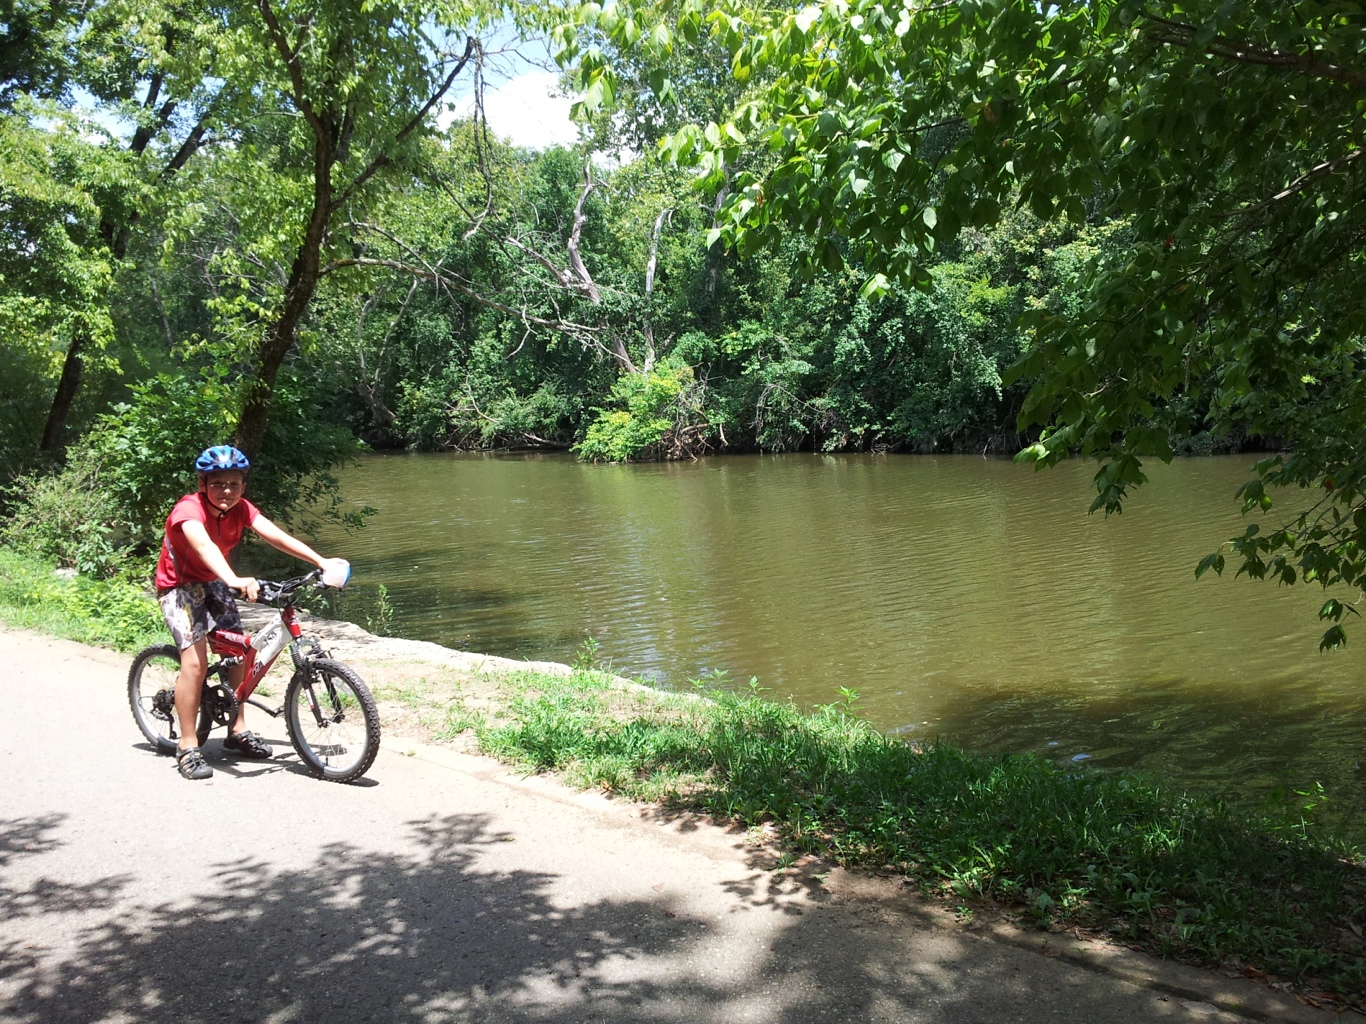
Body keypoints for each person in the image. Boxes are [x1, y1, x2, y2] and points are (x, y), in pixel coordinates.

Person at [155, 445, 346, 781]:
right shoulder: (189, 509)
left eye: (233, 484)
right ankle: (187, 745)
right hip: (179, 587)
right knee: (195, 663)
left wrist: (321, 562)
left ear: (243, 486)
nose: (226, 491)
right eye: (217, 484)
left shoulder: (241, 508)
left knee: (242, 651)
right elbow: (203, 546)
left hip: (214, 581)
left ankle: (237, 730)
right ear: (203, 484)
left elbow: (275, 535)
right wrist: (233, 578)